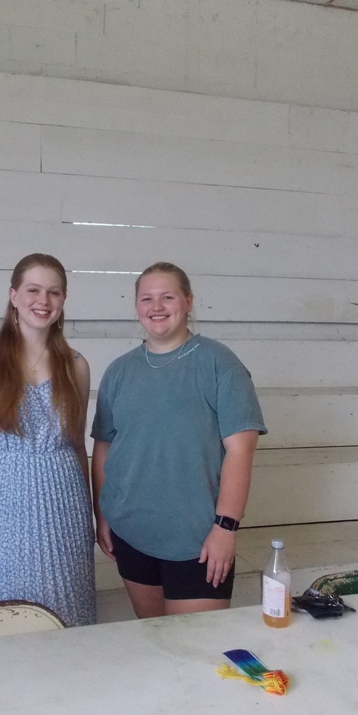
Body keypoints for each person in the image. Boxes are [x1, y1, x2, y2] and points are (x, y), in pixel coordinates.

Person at [91, 262, 266, 618]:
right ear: (137, 306)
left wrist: (226, 528)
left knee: (196, 645)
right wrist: (102, 515)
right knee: (154, 638)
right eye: (147, 298)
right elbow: (104, 448)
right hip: (131, 532)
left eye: (167, 297)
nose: (156, 307)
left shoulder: (220, 364)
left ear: (188, 302)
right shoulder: (119, 371)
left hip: (198, 541)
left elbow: (240, 451)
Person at [0, 253, 96, 627]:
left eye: (54, 292)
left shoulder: (76, 365)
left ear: (64, 300)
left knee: (68, 615)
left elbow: (77, 446)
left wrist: (91, 518)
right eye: (33, 290)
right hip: (2, 513)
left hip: (65, 509)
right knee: (9, 618)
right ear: (14, 295)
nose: (43, 300)